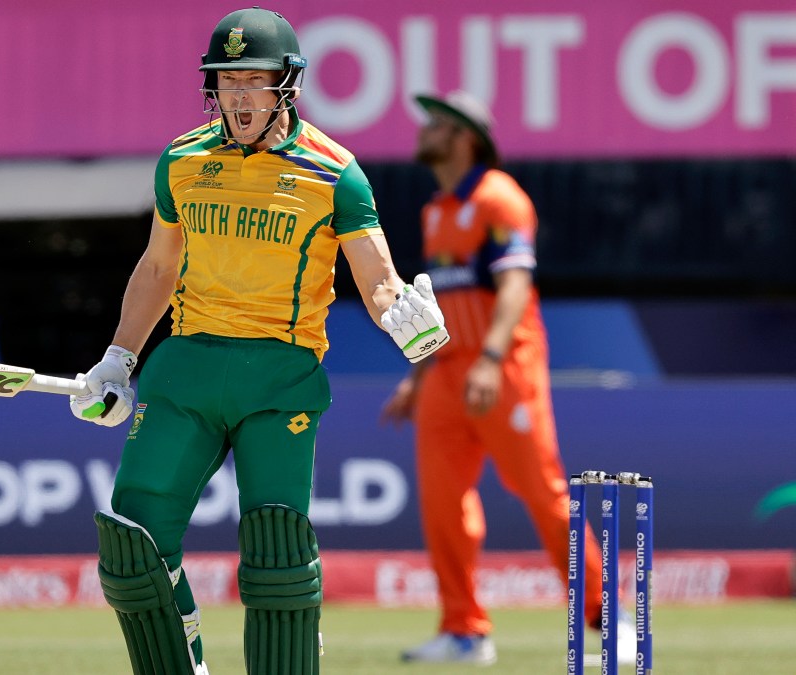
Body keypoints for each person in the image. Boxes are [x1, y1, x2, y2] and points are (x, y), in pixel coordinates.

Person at [66, 8, 449, 675]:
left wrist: (409, 328)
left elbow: (380, 281)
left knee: (278, 557)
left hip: (281, 375)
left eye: (255, 79)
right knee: (133, 547)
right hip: (184, 368)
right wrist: (119, 358)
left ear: (287, 85)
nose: (240, 95)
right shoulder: (183, 160)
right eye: (227, 80)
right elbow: (158, 268)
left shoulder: (336, 172)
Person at [380, 90, 634, 666]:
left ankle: (607, 619)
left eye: (437, 124)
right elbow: (444, 302)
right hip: (447, 370)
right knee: (444, 504)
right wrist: (419, 375)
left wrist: (492, 359)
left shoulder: (500, 199)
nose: (424, 131)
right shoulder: (435, 209)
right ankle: (465, 630)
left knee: (544, 496)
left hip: (507, 366)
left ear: (465, 137)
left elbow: (515, 286)